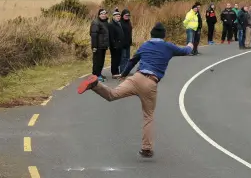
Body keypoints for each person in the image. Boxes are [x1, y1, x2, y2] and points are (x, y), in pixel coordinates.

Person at [77, 23, 194, 157]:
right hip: (150, 82)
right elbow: (186, 51)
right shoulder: (168, 47)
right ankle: (146, 148)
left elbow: (132, 61)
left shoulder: (145, 45)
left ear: (151, 35)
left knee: (112, 94)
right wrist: (190, 43)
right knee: (148, 116)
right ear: (164, 36)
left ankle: (95, 84)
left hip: (136, 77)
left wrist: (124, 75)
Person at [90, 9, 110, 82]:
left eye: (105, 13)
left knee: (101, 61)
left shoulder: (105, 22)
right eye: (102, 13)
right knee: (97, 61)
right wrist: (94, 47)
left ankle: (99, 74)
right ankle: (95, 75)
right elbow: (93, 35)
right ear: (99, 15)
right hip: (97, 46)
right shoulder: (96, 22)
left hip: (103, 45)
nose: (103, 15)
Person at [108, 9, 125, 79]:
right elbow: (111, 36)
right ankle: (114, 73)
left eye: (119, 16)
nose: (118, 17)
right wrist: (114, 45)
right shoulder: (111, 24)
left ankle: (117, 72)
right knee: (114, 60)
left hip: (119, 45)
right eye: (117, 16)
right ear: (113, 17)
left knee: (118, 59)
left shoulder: (119, 23)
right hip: (115, 46)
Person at [119, 9, 133, 73]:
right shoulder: (120, 22)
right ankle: (122, 71)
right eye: (126, 15)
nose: (127, 16)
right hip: (122, 44)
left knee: (127, 58)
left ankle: (126, 71)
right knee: (123, 58)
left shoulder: (129, 22)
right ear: (122, 15)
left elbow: (129, 33)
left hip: (128, 43)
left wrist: (130, 41)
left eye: (128, 15)